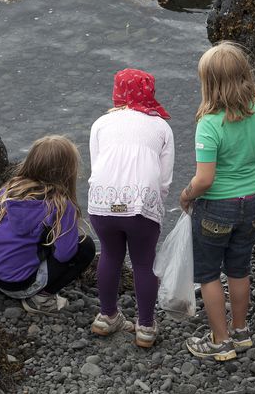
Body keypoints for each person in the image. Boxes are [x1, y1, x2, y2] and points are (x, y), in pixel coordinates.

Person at [180, 41, 255, 361]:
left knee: (208, 274)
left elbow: (205, 179)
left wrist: (187, 194)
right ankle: (240, 331)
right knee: (239, 269)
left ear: (209, 84)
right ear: (247, 75)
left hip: (215, 207)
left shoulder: (209, 124)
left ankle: (220, 342)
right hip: (250, 203)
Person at [88, 68, 174, 348]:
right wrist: (154, 206)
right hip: (140, 204)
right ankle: (146, 327)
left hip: (101, 201)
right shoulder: (161, 127)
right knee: (143, 262)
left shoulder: (101, 123)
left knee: (110, 254)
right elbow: (164, 181)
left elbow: (96, 166)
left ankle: (106, 316)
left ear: (118, 92)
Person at [0, 135, 96, 315]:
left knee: (35, 238)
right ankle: (41, 299)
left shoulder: (10, 189)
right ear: (68, 171)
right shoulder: (60, 205)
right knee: (86, 246)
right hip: (17, 284)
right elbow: (65, 255)